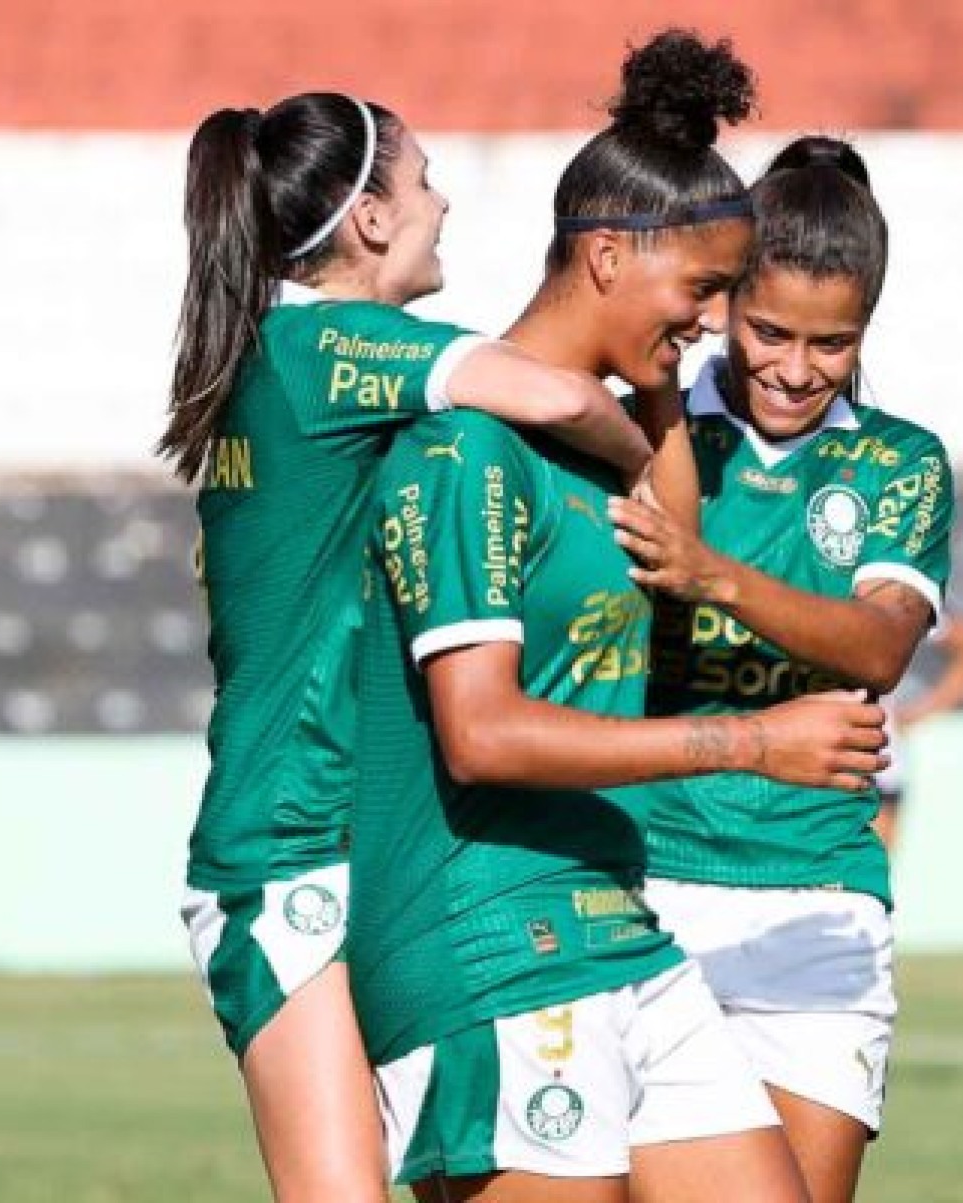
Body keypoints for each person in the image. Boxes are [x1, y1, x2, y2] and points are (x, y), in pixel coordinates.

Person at [351, 34, 885, 1203]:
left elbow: (673, 532)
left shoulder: (604, 444)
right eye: (700, 292)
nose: (708, 326)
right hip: (485, 937)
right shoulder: (466, 450)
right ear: (605, 256)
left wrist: (643, 378)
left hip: (612, 921)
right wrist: (757, 742)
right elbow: (480, 734)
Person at [163, 91, 658, 1203]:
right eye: (424, 179)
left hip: (357, 842)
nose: (442, 202)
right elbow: (554, 391)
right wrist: (646, 464)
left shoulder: (282, 354)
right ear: (372, 221)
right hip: (286, 849)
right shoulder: (329, 343)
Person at [608, 135, 954, 1203]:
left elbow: (881, 645)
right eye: (768, 331)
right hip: (646, 891)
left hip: (818, 908)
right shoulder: (638, 430)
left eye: (831, 344)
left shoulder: (901, 461)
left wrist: (708, 574)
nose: (796, 368)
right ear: (725, 300)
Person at [873, 609, 963, 850]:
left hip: (873, 761)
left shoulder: (882, 582)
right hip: (794, 756)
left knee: (861, 876)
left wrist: (922, 710)